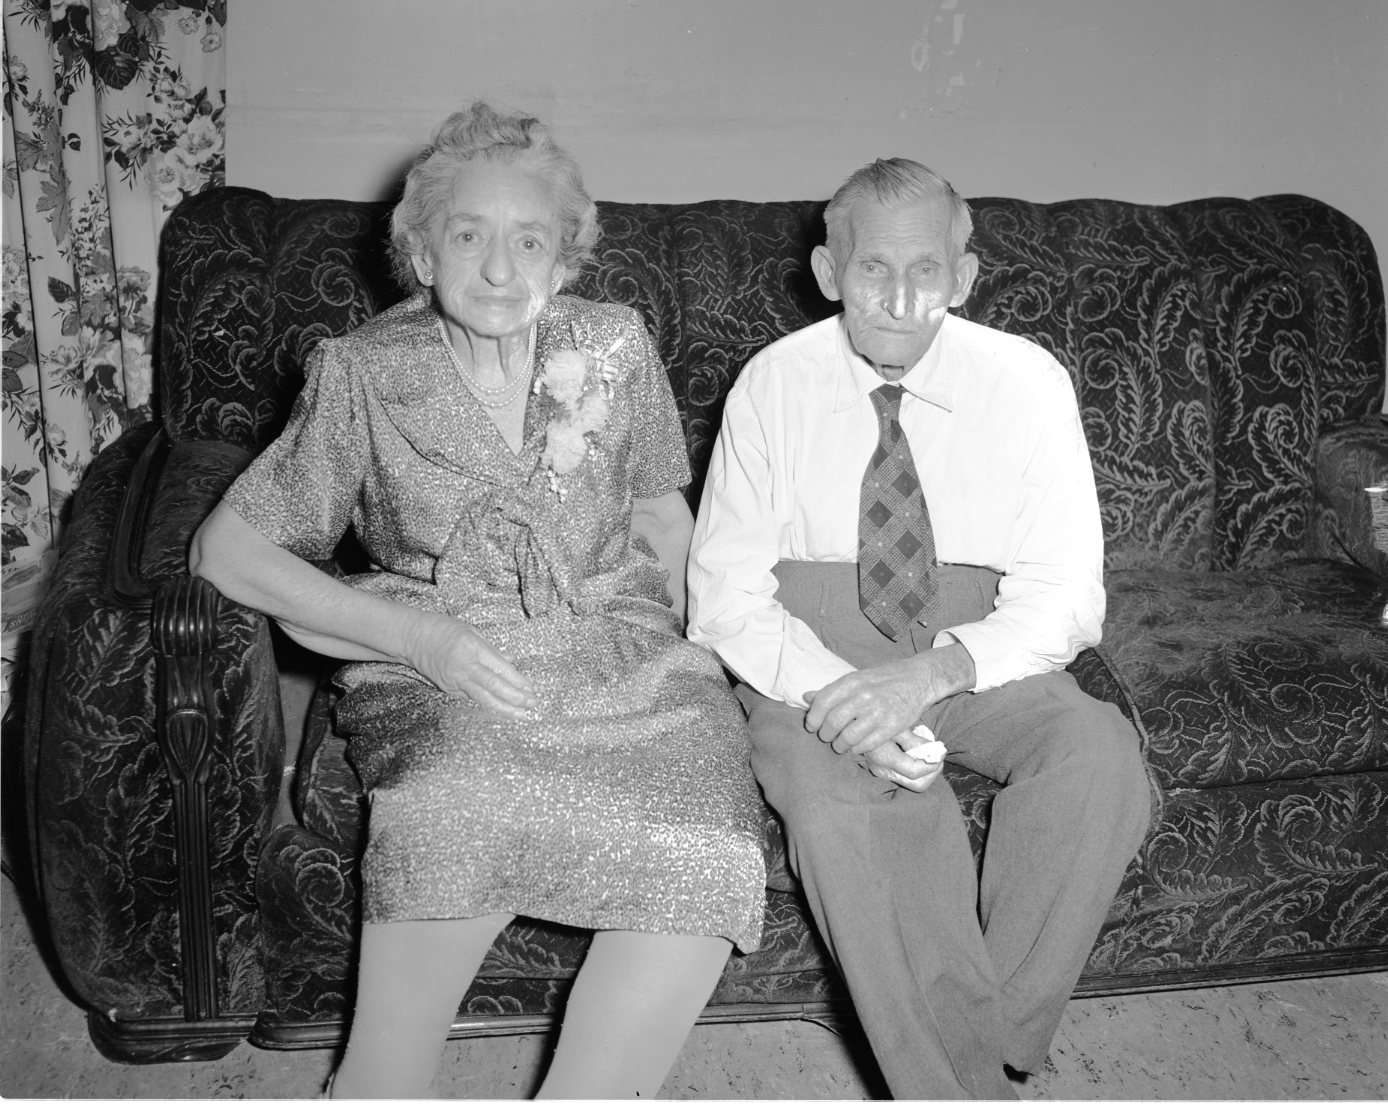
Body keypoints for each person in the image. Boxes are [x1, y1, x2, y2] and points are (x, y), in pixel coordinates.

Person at [190, 101, 766, 1100]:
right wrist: (422, 643)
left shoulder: (615, 345)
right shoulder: (360, 372)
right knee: (458, 803)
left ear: (565, 260)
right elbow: (228, 551)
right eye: (468, 236)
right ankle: (379, 1083)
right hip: (448, 647)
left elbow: (661, 521)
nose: (500, 269)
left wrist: (726, 663)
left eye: (529, 240)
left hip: (619, 637)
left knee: (710, 832)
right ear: (422, 253)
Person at [686, 158, 1151, 1099]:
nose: (900, 299)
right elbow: (727, 597)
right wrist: (842, 695)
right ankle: (961, 1086)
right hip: (809, 654)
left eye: (926, 270)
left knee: (1097, 753)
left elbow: (1067, 591)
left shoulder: (1026, 381)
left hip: (972, 651)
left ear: (963, 277)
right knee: (854, 809)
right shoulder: (772, 385)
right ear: (829, 273)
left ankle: (981, 1048)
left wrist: (933, 674)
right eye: (873, 269)